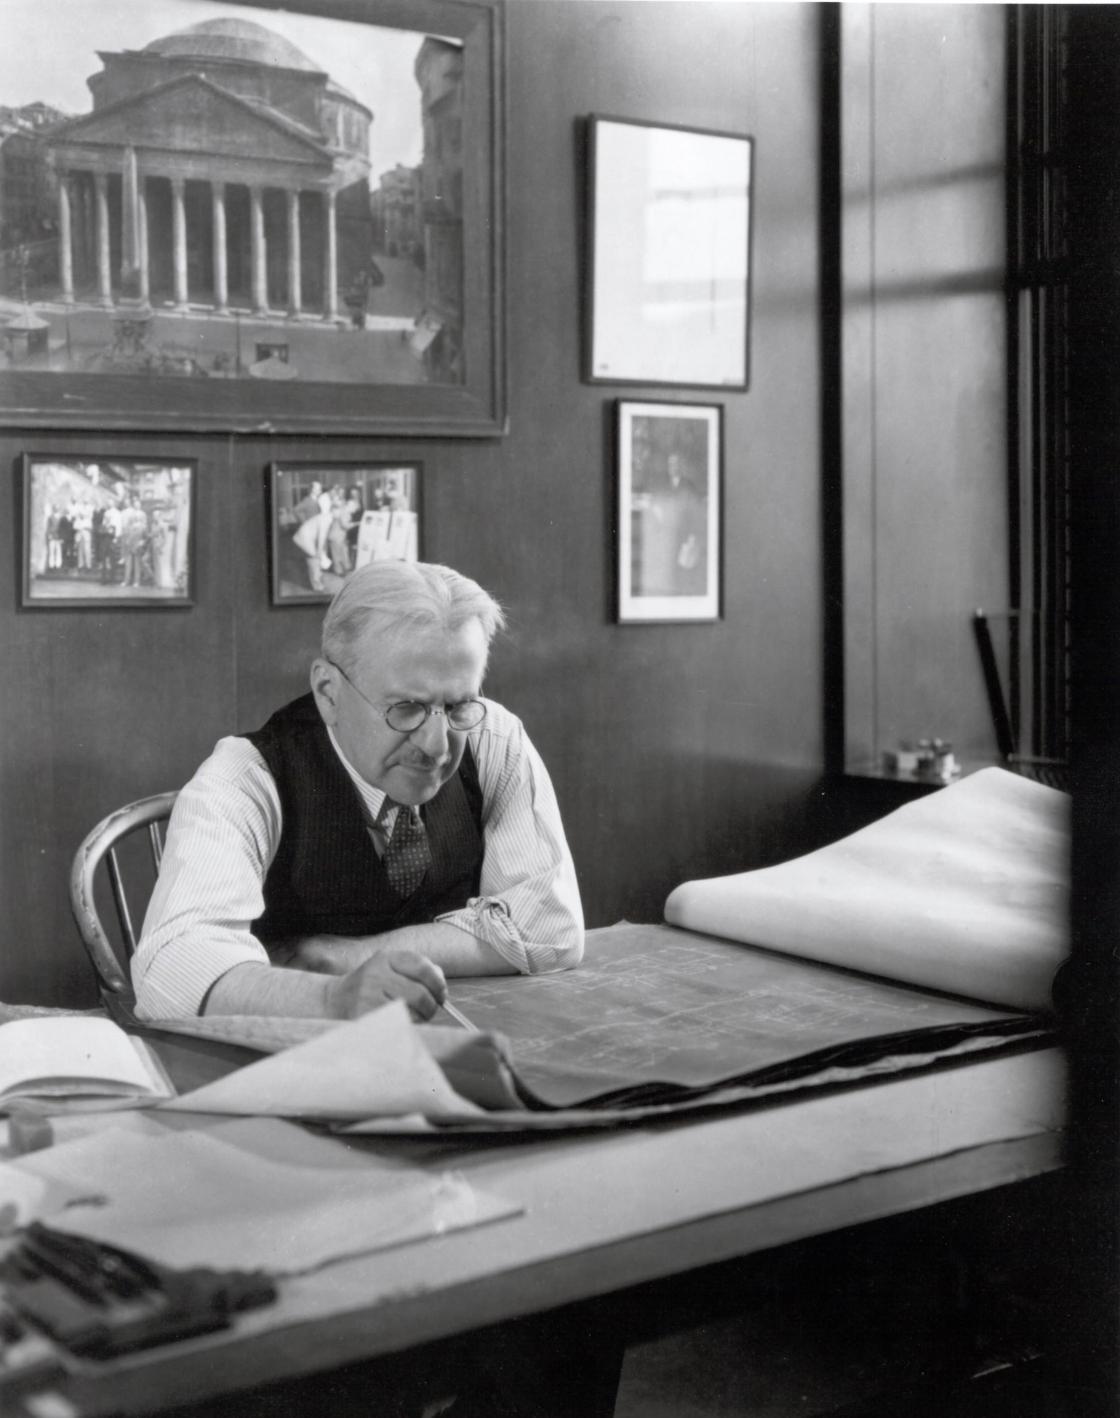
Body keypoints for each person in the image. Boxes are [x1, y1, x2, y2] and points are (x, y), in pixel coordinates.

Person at [132, 561, 584, 1022]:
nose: (436, 745)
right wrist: (332, 998)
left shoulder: (494, 738)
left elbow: (550, 926)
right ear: (328, 692)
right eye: (406, 708)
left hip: (454, 1036)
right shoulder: (247, 774)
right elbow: (171, 972)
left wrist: (340, 958)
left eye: (458, 705)